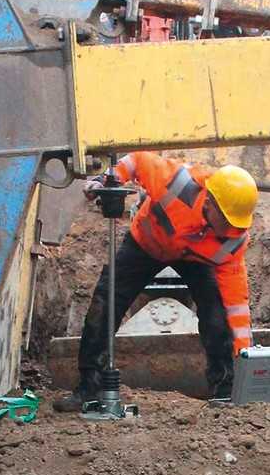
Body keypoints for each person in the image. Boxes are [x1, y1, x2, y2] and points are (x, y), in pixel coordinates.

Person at [52, 152, 259, 411]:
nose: (232, 230)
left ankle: (226, 391)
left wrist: (244, 355)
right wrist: (108, 178)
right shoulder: (176, 182)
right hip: (145, 245)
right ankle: (90, 389)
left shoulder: (233, 240)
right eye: (227, 221)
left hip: (195, 259)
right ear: (210, 202)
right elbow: (137, 161)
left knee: (217, 314)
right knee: (106, 303)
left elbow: (236, 305)